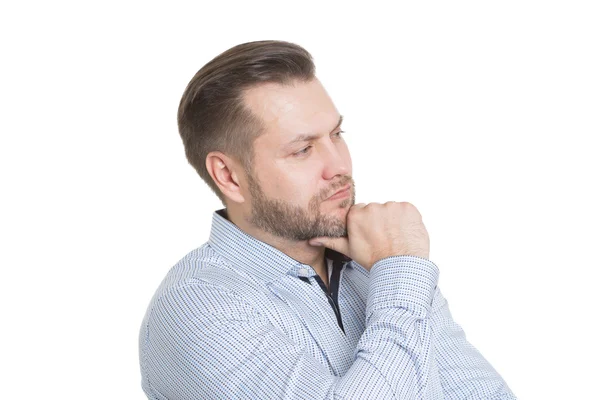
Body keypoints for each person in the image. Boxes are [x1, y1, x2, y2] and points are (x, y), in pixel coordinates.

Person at [139, 40, 517, 399]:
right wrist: (402, 270)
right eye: (303, 150)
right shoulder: (197, 306)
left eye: (337, 134)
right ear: (229, 176)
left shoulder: (374, 266)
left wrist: (393, 271)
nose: (339, 166)